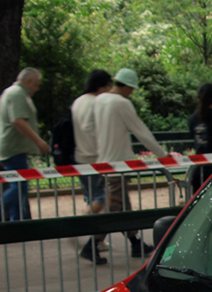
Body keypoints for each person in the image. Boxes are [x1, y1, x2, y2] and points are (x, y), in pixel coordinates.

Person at [93, 67, 167, 257]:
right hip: (118, 164)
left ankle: (136, 243)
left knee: (123, 206)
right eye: (131, 89)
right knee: (115, 207)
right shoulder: (121, 103)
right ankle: (92, 244)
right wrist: (162, 155)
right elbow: (141, 132)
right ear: (126, 87)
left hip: (104, 162)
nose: (132, 92)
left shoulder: (99, 100)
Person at [0, 67, 50, 223]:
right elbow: (18, 121)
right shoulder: (17, 94)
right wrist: (38, 141)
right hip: (13, 149)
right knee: (20, 186)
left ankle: (18, 221)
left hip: (12, 148)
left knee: (18, 185)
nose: (37, 88)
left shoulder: (15, 93)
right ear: (28, 81)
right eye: (36, 84)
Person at [71, 69, 113, 263]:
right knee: (100, 199)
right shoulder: (96, 103)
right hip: (94, 158)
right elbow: (96, 130)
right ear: (102, 86)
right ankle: (78, 227)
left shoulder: (78, 101)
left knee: (91, 197)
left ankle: (94, 238)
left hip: (80, 156)